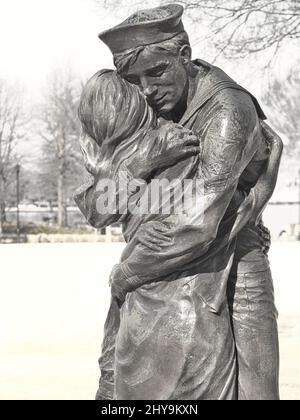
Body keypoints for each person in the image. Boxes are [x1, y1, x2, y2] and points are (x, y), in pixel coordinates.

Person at [75, 4, 282, 400]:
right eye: (133, 80)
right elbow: (99, 208)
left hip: (234, 264)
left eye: (157, 72)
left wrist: (129, 272)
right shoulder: (144, 111)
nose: (148, 90)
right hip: (161, 278)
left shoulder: (227, 110)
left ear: (183, 56)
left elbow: (197, 222)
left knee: (256, 389)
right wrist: (143, 161)